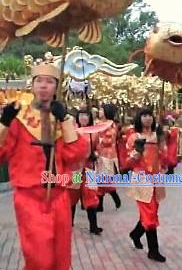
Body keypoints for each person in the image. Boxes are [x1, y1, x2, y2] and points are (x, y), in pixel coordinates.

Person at [0, 63, 89, 270]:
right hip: (29, 196)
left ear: (56, 88)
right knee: (39, 259)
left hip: (59, 195)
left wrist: (65, 120)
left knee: (61, 258)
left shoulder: (62, 118)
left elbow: (76, 155)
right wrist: (4, 123)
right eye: (39, 81)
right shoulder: (18, 119)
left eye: (49, 82)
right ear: (32, 85)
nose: (43, 86)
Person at [126, 108, 167, 263]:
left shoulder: (157, 136)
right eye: (144, 115)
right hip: (141, 178)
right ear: (139, 118)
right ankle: (153, 250)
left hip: (156, 178)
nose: (147, 118)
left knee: (152, 211)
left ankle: (135, 234)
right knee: (149, 214)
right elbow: (128, 163)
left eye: (150, 115)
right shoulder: (133, 137)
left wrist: (163, 142)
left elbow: (164, 157)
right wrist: (137, 151)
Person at [68, 108, 103, 234]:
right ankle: (68, 222)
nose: (83, 118)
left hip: (89, 169)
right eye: (81, 115)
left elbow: (99, 148)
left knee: (91, 195)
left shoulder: (94, 133)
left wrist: (96, 154)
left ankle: (93, 226)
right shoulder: (72, 131)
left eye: (86, 115)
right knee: (72, 194)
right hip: (76, 169)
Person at [96, 103, 121, 211]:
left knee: (105, 180)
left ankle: (114, 195)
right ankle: (100, 204)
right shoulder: (99, 123)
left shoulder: (110, 125)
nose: (99, 111)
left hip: (107, 156)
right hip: (99, 155)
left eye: (101, 110)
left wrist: (98, 140)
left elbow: (109, 140)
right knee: (99, 181)